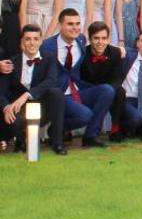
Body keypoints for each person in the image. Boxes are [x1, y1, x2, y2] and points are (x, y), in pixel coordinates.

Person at [40, 8, 114, 148]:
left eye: (77, 23)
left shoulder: (81, 39)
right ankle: (56, 129)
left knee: (107, 90)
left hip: (77, 89)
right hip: (59, 94)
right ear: (60, 25)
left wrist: (121, 49)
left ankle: (90, 136)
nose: (75, 27)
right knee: (85, 115)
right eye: (70, 24)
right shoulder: (47, 46)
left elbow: (99, 47)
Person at [0, 24, 65, 154]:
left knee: (56, 93)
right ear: (22, 41)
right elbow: (1, 91)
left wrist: (27, 95)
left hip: (41, 106)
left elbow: (51, 80)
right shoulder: (12, 62)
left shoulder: (49, 58)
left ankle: (57, 143)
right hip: (19, 109)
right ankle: (19, 139)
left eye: (36, 39)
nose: (32, 43)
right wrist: (6, 107)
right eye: (28, 39)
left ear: (41, 41)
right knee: (12, 121)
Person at [80, 21, 126, 141]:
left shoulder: (115, 52)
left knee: (120, 91)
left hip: (109, 87)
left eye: (104, 38)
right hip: (88, 89)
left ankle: (115, 128)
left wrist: (109, 90)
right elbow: (79, 78)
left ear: (108, 39)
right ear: (90, 39)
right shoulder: (83, 53)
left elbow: (118, 77)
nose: (100, 42)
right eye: (96, 38)